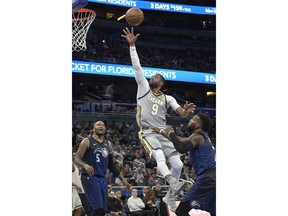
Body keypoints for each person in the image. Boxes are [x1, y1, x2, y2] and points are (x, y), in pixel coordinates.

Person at [121, 27, 196, 212]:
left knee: (178, 163)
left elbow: (180, 113)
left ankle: (170, 195)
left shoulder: (167, 98)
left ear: (161, 83)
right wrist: (132, 46)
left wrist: (185, 112)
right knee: (160, 156)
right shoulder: (143, 88)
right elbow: (137, 67)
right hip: (147, 131)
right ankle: (170, 180)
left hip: (163, 133)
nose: (151, 77)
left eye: (155, 76)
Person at [153, 112, 216, 216]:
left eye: (192, 120)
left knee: (181, 211)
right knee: (214, 212)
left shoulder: (197, 137)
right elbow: (181, 141)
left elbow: (181, 148)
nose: (189, 121)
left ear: (197, 125)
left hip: (207, 178)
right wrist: (161, 132)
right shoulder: (202, 137)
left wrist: (171, 132)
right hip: (214, 178)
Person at [74, 121, 131, 216]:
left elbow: (111, 165)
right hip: (90, 177)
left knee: (104, 210)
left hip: (102, 178)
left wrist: (123, 179)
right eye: (98, 125)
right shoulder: (87, 141)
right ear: (93, 129)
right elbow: (76, 159)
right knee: (98, 208)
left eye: (103, 125)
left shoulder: (108, 144)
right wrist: (85, 165)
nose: (101, 126)